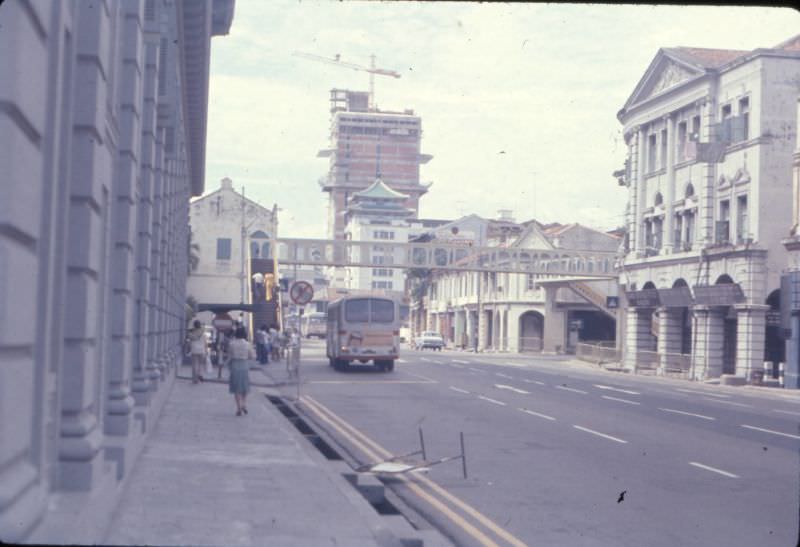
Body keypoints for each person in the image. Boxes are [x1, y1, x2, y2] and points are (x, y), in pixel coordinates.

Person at [226, 326, 256, 416]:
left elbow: (229, 356)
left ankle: (239, 407)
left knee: (236, 388)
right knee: (244, 386)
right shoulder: (247, 344)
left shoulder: (232, 344)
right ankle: (244, 403)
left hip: (235, 365)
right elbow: (252, 356)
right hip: (244, 365)